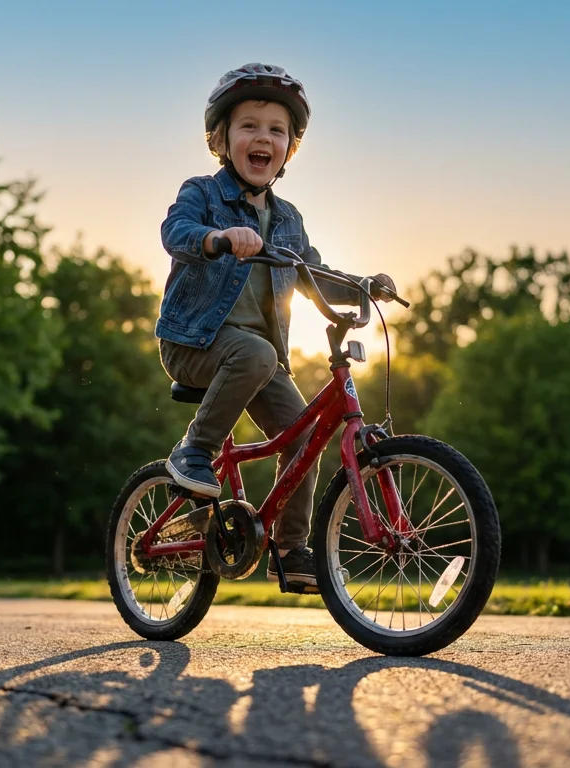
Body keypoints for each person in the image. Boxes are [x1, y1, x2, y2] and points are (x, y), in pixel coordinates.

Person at [155, 63, 396, 589]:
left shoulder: (288, 218)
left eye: (276, 130)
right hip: (192, 341)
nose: (262, 137)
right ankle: (193, 452)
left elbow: (313, 272)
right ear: (221, 138)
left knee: (305, 435)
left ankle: (289, 549)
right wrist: (217, 240)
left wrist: (361, 284)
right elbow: (176, 230)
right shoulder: (203, 193)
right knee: (256, 354)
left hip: (257, 357)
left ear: (288, 149)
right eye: (249, 126)